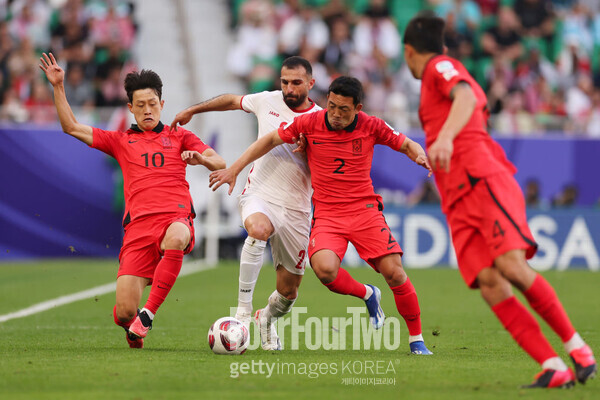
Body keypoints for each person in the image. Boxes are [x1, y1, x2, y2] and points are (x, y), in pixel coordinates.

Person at [402, 15, 596, 387]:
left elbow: (468, 95)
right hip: (456, 197)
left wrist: (443, 138)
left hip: (480, 180)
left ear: (410, 51)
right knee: (489, 281)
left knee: (510, 265)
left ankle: (579, 349)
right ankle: (553, 367)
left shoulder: (439, 68)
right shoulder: (435, 75)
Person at [209, 75, 434, 355]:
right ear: (327, 100)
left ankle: (417, 340)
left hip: (365, 211)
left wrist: (420, 156)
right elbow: (269, 140)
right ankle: (367, 293)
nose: (337, 115)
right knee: (325, 270)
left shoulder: (372, 125)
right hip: (328, 215)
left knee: (395, 273)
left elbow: (406, 143)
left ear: (358, 108)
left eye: (344, 110)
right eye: (332, 106)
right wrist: (235, 168)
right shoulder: (309, 123)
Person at [39, 53, 225, 349]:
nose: (147, 110)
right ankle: (133, 325)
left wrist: (201, 158)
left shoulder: (180, 137)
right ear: (130, 108)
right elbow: (71, 127)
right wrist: (58, 86)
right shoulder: (121, 141)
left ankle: (148, 315)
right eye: (140, 106)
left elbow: (219, 162)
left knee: (177, 235)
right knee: (125, 311)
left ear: (162, 105)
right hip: (138, 231)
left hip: (175, 219)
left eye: (152, 104)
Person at [171, 56, 321, 351]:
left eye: (296, 83)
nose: (289, 88)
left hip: (297, 208)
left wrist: (310, 150)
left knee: (288, 293)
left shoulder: (321, 119)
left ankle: (266, 319)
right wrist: (193, 109)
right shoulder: (268, 100)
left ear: (311, 84)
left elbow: (323, 167)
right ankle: (241, 311)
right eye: (284, 82)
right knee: (258, 229)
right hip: (260, 193)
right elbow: (231, 100)